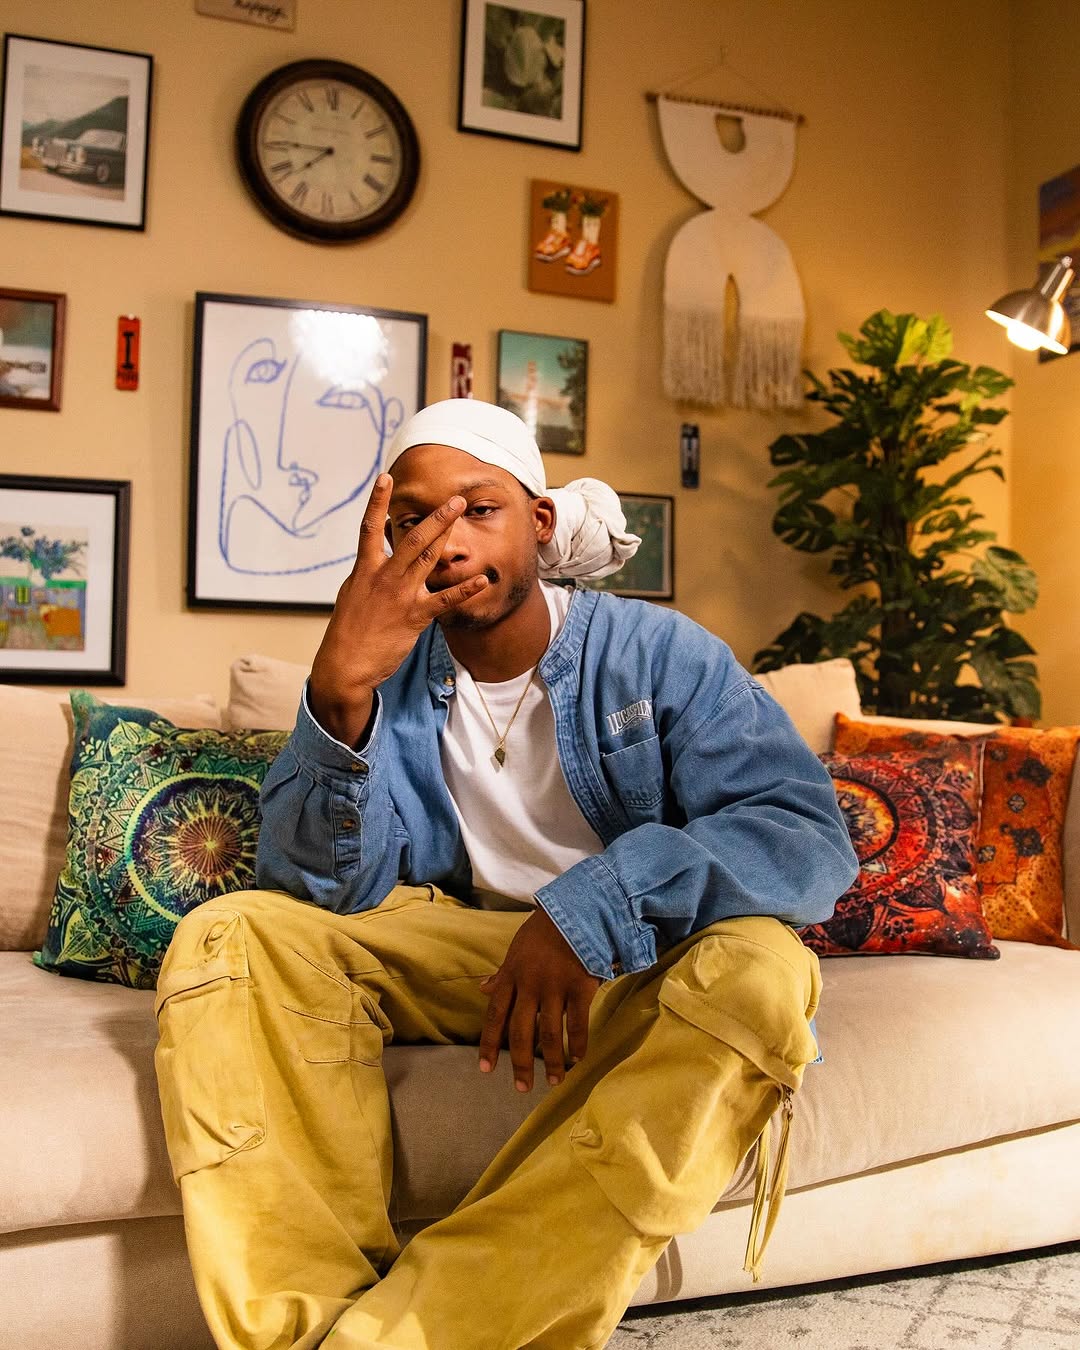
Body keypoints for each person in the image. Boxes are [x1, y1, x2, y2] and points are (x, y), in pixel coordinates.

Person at [154, 398, 859, 1350]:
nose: (444, 542)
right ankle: (302, 1327)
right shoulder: (388, 671)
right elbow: (323, 894)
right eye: (413, 520)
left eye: (478, 509)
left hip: (633, 965)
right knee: (233, 933)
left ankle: (408, 1336)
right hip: (465, 952)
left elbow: (803, 837)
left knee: (762, 976)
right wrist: (339, 692)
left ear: (539, 520)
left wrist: (590, 907)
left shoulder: (657, 652)